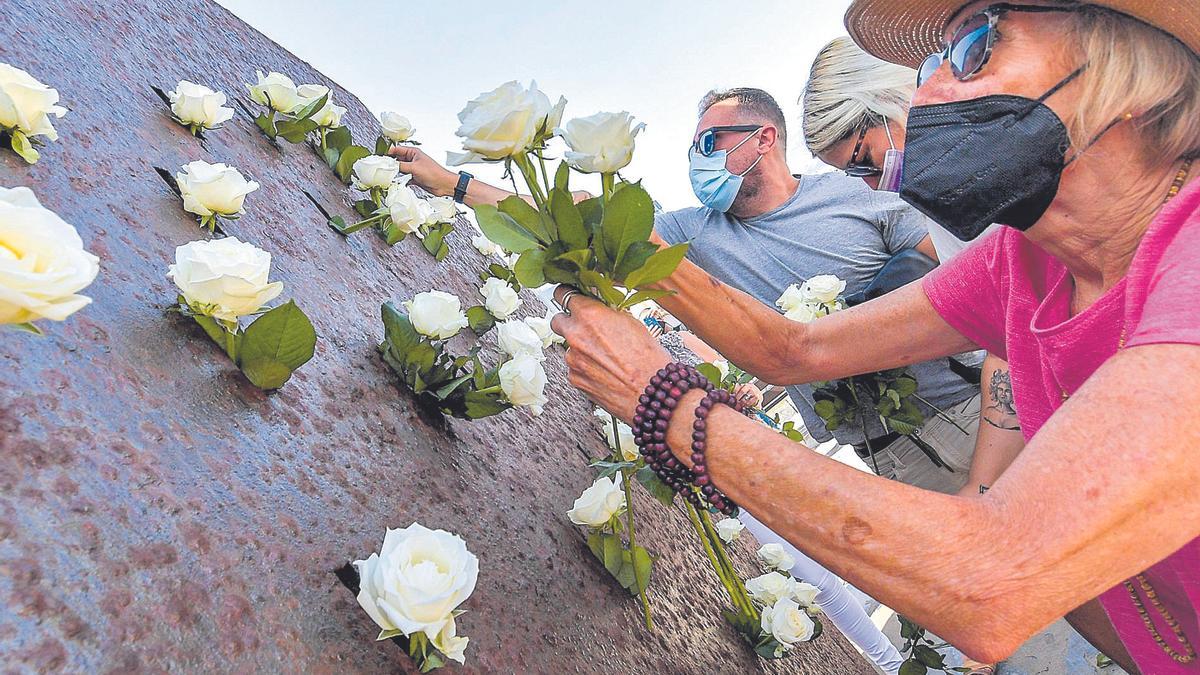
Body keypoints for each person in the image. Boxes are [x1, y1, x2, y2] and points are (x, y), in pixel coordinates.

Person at [549, 1, 1200, 673]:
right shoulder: (1023, 262)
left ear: (1126, 69)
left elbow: (991, 580)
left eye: (976, 47)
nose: (926, 94)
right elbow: (796, 350)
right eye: (928, 63)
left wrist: (664, 402)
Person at [390, 89, 983, 495]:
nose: (698, 160)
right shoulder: (691, 234)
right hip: (886, 454)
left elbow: (960, 279)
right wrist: (457, 184)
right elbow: (577, 212)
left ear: (762, 138)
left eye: (710, 142)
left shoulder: (855, 192)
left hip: (969, 404)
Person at [802, 36, 1024, 500]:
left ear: (887, 98)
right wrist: (981, 488)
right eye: (851, 175)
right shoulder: (941, 209)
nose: (870, 185)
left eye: (863, 160)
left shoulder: (1012, 141)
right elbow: (1007, 339)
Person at [640, 306, 906, 674]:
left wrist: (747, 393)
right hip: (726, 484)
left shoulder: (678, 341)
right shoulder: (631, 379)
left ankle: (933, 633)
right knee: (818, 580)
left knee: (853, 537)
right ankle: (892, 665)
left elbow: (738, 386)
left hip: (769, 453)